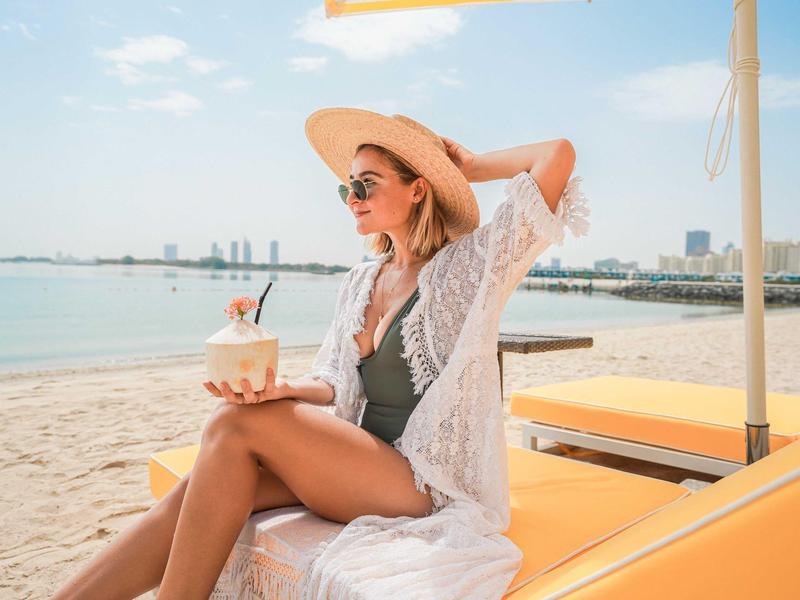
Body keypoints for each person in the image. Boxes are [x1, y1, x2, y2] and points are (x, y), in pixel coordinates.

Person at [53, 107, 589, 599]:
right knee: (203, 480)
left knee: (233, 424)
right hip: (358, 465)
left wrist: (468, 167)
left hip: (424, 482)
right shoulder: (361, 281)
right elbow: (333, 379)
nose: (352, 196)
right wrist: (281, 389)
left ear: (418, 189)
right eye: (346, 187)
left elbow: (556, 155)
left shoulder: (466, 271)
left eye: (366, 183)